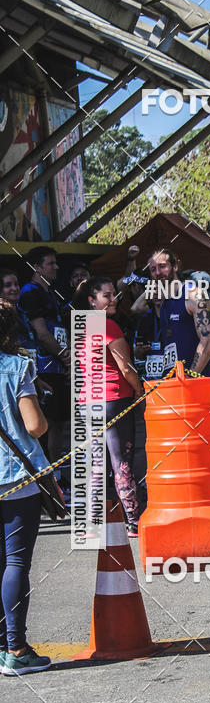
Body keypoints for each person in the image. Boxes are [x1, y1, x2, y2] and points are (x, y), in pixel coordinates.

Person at [0, 298, 52, 675]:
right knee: (15, 562)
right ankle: (16, 650)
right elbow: (35, 426)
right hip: (16, 477)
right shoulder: (17, 367)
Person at [73, 278, 143, 537]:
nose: (113, 299)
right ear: (92, 301)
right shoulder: (109, 326)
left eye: (114, 294)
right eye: (107, 295)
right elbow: (125, 367)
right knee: (121, 462)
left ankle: (90, 525)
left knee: (95, 464)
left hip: (87, 402)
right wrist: (139, 389)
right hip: (113, 399)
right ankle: (134, 521)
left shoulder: (82, 327)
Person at [17, 247, 70, 501]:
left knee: (59, 424)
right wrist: (66, 355)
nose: (56, 267)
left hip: (56, 367)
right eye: (51, 263)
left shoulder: (49, 292)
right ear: (37, 268)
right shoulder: (30, 293)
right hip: (43, 368)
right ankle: (47, 484)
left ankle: (57, 478)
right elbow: (41, 332)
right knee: (46, 426)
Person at [148, 250, 210, 375]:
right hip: (171, 382)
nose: (157, 273)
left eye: (162, 266)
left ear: (175, 266)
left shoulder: (193, 294)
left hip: (194, 384)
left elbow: (208, 340)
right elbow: (136, 308)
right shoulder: (164, 302)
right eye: (153, 269)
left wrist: (191, 375)